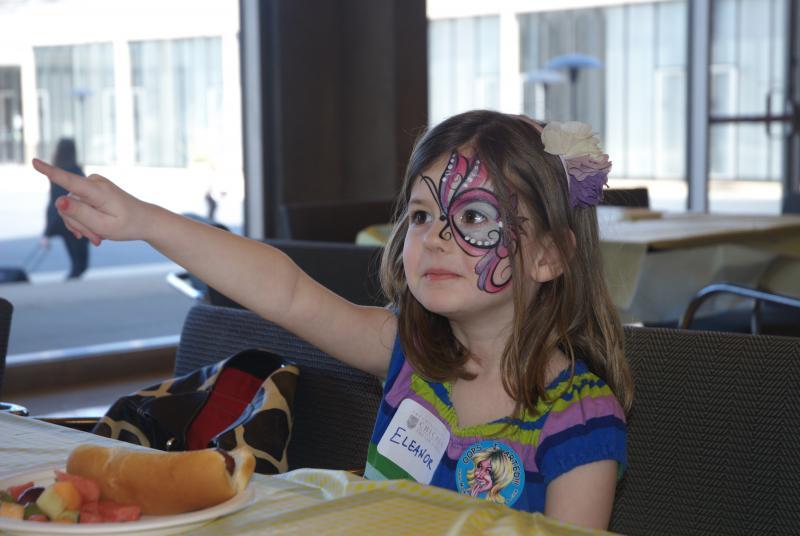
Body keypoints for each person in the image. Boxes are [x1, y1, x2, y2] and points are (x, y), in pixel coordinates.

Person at [31, 110, 633, 530]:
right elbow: (284, 290)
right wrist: (145, 221)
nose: (437, 237)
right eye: (421, 215)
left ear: (550, 255)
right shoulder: (408, 355)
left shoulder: (579, 418)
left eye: (476, 217)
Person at [41, 138, 89, 279]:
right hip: (80, 218)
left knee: (76, 260)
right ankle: (75, 277)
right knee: (81, 260)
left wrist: (47, 232)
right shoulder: (77, 171)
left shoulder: (56, 173)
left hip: (63, 219)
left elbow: (53, 202)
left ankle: (73, 277)